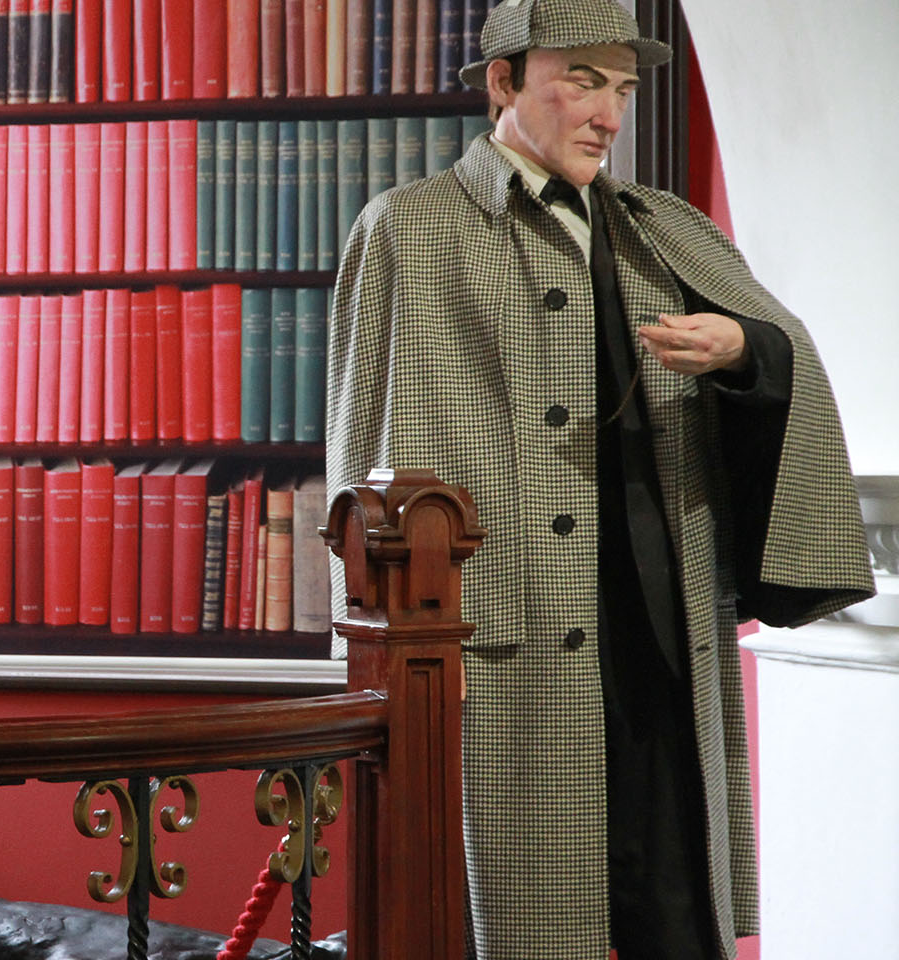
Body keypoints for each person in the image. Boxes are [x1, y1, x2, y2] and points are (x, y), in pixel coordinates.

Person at [324, 1, 872, 958]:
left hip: (660, 633)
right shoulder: (409, 229)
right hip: (501, 642)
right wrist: (377, 662)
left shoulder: (669, 229)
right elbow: (360, 447)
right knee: (524, 925)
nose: (608, 114)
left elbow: (787, 355)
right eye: (580, 80)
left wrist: (744, 350)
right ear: (504, 81)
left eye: (622, 88)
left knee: (674, 918)